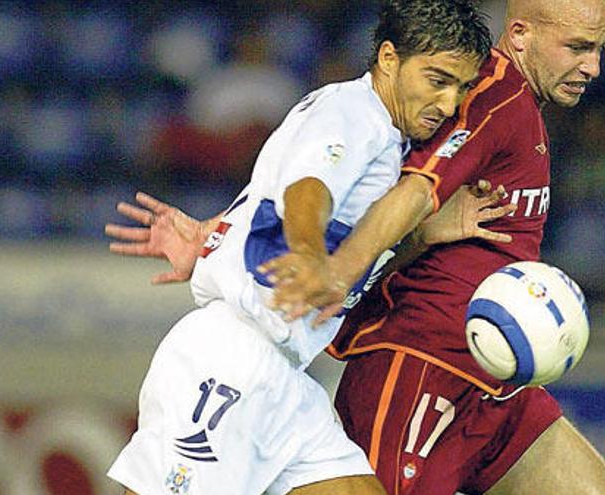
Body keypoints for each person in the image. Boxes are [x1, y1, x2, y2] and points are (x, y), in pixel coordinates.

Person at [105, 1, 492, 494]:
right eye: (437, 79)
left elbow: (302, 203)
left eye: (461, 87)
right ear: (390, 58)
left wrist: (424, 234)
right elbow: (307, 190)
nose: (448, 101)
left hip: (285, 376)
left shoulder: (372, 132)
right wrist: (308, 254)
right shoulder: (357, 114)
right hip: (233, 358)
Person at [266, 0, 605, 493]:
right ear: (520, 33)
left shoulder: (521, 106)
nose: (593, 67)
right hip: (421, 369)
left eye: (600, 49)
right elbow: (414, 191)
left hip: (497, 382)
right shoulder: (492, 96)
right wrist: (340, 271)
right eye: (578, 48)